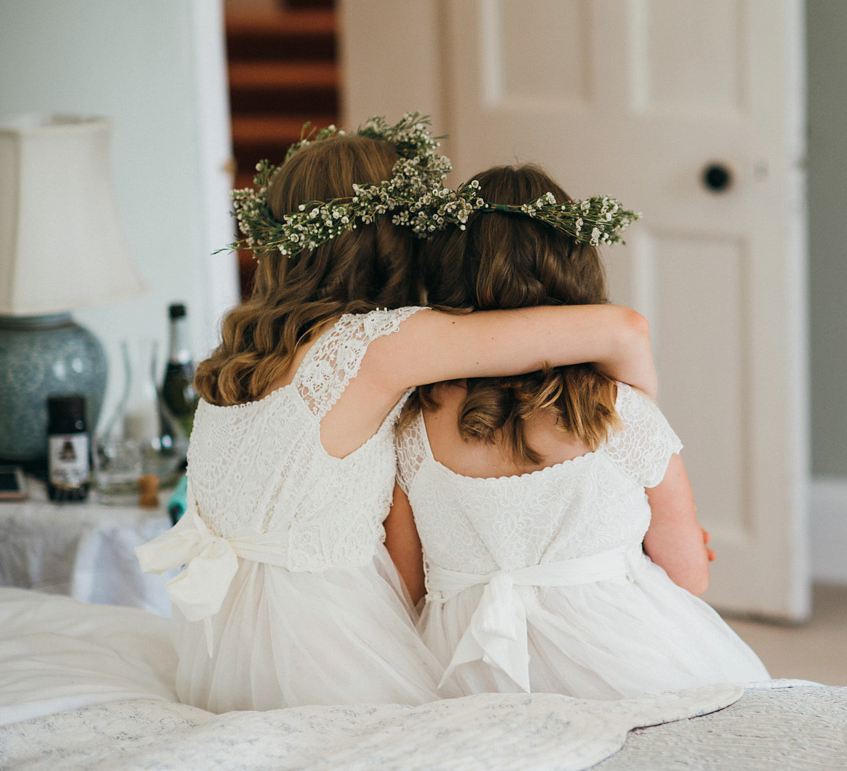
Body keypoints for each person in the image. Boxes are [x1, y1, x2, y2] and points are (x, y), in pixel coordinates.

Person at [136, 118, 658, 713]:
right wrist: (640, 440)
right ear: (397, 236)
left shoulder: (241, 349)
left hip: (221, 646)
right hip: (325, 647)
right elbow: (623, 329)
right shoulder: (378, 343)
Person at [390, 164, 769, 700]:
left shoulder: (413, 427)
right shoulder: (621, 410)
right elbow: (689, 575)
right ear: (576, 266)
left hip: (468, 669)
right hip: (626, 661)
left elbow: (408, 588)